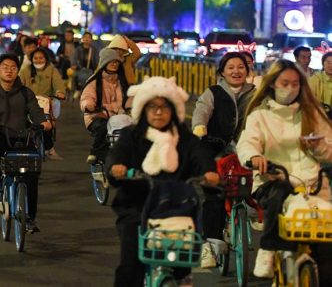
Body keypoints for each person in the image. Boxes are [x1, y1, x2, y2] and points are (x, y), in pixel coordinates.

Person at [106, 76, 218, 287]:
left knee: (183, 258)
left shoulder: (184, 137)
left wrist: (209, 172)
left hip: (176, 207)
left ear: (174, 110)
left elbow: (200, 154)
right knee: (131, 265)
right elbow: (116, 155)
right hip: (136, 207)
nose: (158, 112)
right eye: (152, 107)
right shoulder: (132, 136)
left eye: (164, 107)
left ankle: (182, 277)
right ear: (143, 110)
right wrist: (116, 168)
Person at [237, 59, 332, 279]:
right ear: (272, 84)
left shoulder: (313, 114)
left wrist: (318, 146)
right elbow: (247, 143)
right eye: (285, 83)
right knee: (278, 194)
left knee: (326, 246)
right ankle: (268, 249)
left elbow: (329, 149)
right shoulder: (259, 116)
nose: (290, 88)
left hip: (312, 185)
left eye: (295, 84)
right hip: (274, 179)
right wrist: (254, 157)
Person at [190, 51, 256, 267]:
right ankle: (209, 246)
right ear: (222, 72)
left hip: (248, 148)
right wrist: (200, 127)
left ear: (247, 71)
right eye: (231, 67)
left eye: (241, 67)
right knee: (214, 194)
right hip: (215, 147)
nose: (236, 71)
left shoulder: (257, 93)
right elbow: (202, 110)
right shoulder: (213, 92)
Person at [0, 53, 51, 233]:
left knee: (32, 175)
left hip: (22, 136)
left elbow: (35, 110)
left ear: (17, 70)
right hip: (0, 134)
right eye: (5, 67)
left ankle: (30, 218)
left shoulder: (26, 92)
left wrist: (43, 121)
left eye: (13, 68)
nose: (9, 71)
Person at [80, 48, 130, 164]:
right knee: (104, 127)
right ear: (104, 63)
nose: (114, 64)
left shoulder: (122, 82)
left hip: (118, 117)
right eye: (111, 61)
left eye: (117, 62)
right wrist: (89, 105)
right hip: (97, 115)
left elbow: (129, 98)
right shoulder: (95, 82)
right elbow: (87, 97)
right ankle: (95, 152)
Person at [19, 47, 65, 160]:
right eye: (36, 58)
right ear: (31, 59)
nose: (38, 60)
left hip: (46, 102)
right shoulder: (25, 70)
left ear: (46, 59)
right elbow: (18, 83)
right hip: (28, 102)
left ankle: (49, 148)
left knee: (46, 122)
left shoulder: (52, 70)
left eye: (41, 58)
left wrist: (60, 92)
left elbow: (58, 83)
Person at [71, 32, 100, 98]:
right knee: (76, 75)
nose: (87, 39)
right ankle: (77, 90)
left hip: (91, 69)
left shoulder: (94, 50)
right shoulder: (78, 49)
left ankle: (91, 92)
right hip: (80, 68)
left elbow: (97, 60)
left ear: (91, 40)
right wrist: (74, 65)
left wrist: (97, 67)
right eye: (85, 37)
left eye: (89, 37)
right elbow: (74, 59)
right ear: (82, 39)